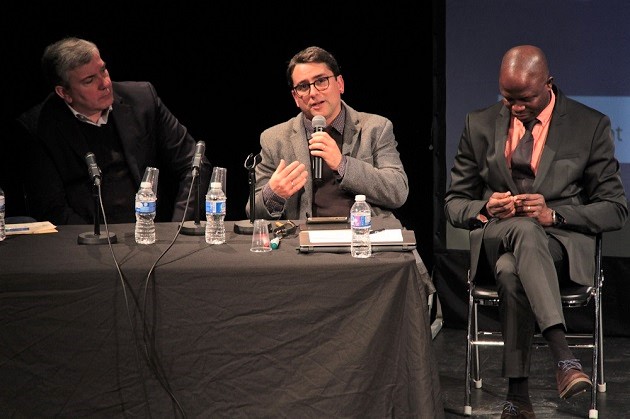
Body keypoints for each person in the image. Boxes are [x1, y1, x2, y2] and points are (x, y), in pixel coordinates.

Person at [445, 45, 627, 418]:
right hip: (496, 236)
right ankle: (564, 358)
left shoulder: (588, 125)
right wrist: (485, 207)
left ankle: (518, 397)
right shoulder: (478, 124)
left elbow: (615, 208)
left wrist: (554, 215)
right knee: (519, 237)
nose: (514, 107)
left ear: (549, 84)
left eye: (524, 98)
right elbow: (453, 203)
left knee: (513, 271)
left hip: (557, 248)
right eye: (506, 97)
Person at [14, 37, 210, 225]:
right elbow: (52, 208)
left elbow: (194, 164)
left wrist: (178, 225)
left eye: (103, 70)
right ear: (64, 93)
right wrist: (95, 244)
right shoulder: (38, 127)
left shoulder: (142, 100)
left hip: (150, 232)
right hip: (86, 243)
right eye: (90, 80)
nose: (105, 84)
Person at [245, 45, 408, 222]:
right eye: (303, 86)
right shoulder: (274, 139)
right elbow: (253, 212)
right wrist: (274, 193)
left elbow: (398, 191)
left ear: (340, 84)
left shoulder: (375, 128)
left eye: (321, 81)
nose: (313, 93)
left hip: (363, 237)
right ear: (295, 97)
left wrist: (342, 164)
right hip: (303, 241)